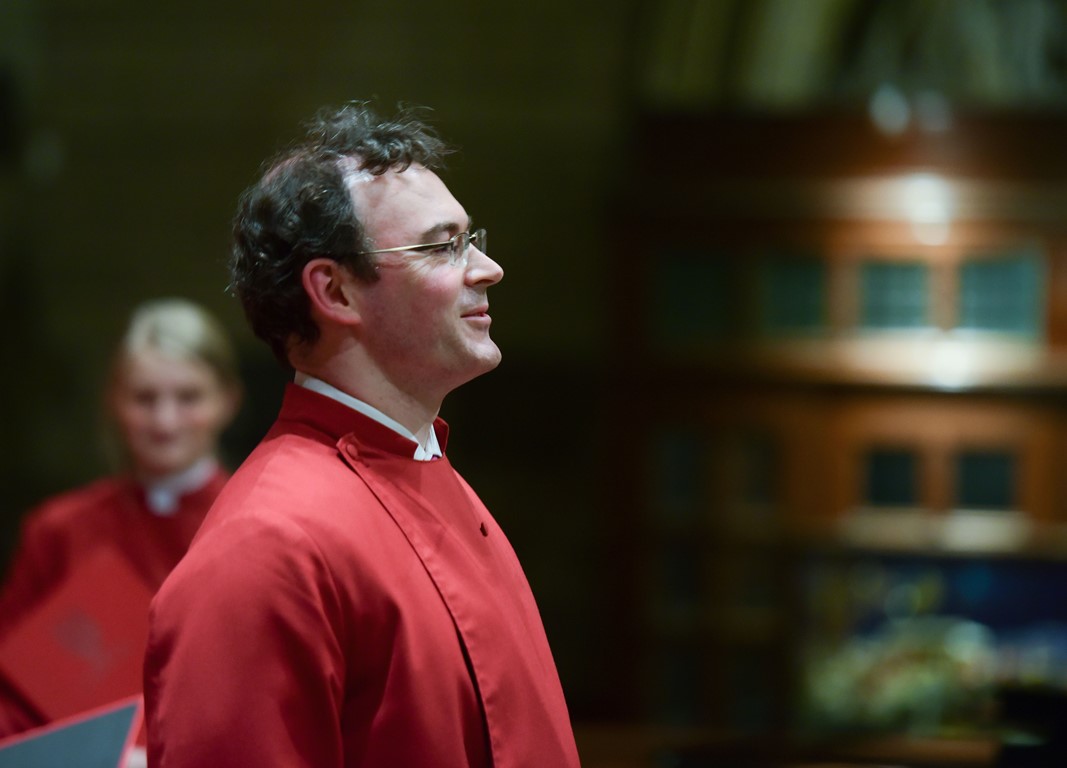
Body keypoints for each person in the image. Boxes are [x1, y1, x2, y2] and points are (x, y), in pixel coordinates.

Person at [143, 102, 582, 767]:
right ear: (336, 292)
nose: (485, 269)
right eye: (442, 246)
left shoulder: (437, 474)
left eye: (472, 239)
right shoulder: (267, 544)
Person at [0, 297, 242, 736]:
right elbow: (12, 687)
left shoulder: (253, 524)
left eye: (188, 397)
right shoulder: (58, 531)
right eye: (144, 398)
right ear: (114, 399)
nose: (165, 421)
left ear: (228, 400)